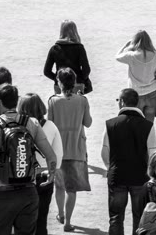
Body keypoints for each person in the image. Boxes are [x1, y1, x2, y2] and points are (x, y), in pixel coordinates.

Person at [0, 84, 57, 235]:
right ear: (17, 101)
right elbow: (51, 155)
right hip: (28, 192)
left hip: (1, 193)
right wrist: (51, 175)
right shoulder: (32, 123)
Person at [101, 88, 156, 235]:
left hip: (117, 176)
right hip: (140, 178)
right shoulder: (148, 125)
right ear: (137, 103)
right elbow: (153, 153)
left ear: (121, 102)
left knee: (115, 218)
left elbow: (104, 151)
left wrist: (110, 167)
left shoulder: (110, 124)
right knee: (140, 218)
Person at [48, 68, 92, 232]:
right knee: (71, 189)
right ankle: (68, 222)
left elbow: (49, 125)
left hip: (57, 150)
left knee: (59, 186)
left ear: (59, 83)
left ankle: (60, 214)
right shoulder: (82, 100)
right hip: (76, 149)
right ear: (74, 83)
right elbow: (88, 123)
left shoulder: (52, 101)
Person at [17, 94, 63, 235]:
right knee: (41, 219)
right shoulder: (51, 126)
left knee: (20, 221)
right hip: (44, 176)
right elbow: (58, 154)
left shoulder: (16, 126)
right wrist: (53, 172)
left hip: (21, 177)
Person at [116, 31, 156, 123]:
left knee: (136, 125)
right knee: (148, 125)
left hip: (135, 95)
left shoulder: (131, 56)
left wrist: (125, 46)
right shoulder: (155, 55)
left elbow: (117, 57)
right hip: (152, 94)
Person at [43, 20, 92, 94]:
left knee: (59, 101)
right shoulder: (79, 48)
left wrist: (58, 78)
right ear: (75, 31)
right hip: (77, 84)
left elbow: (46, 71)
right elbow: (86, 70)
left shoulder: (54, 48)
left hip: (60, 85)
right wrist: (81, 79)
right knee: (78, 101)